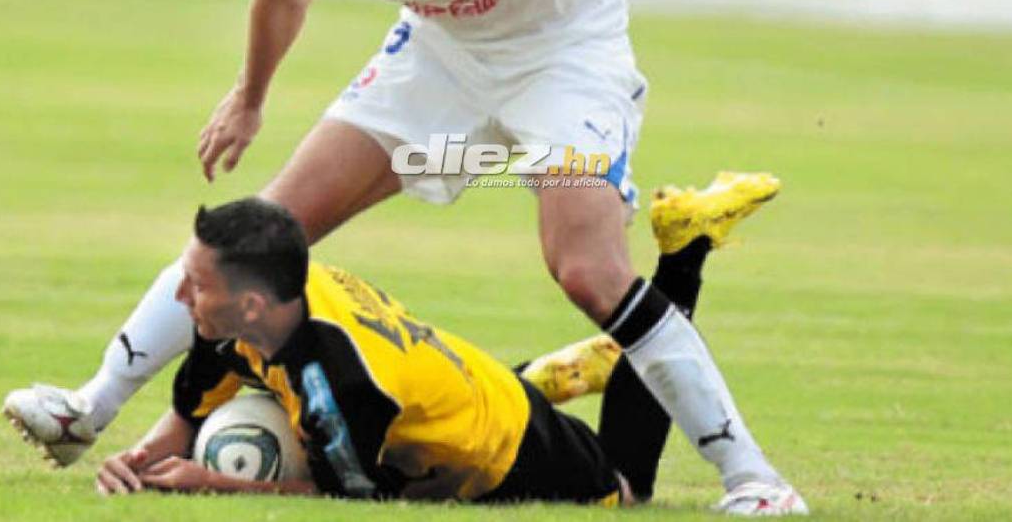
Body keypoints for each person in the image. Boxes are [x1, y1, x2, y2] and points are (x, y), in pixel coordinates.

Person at [5, 0, 943, 510]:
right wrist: (250, 99)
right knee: (261, 229)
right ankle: (87, 407)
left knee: (583, 266)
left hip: (563, 56)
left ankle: (758, 480)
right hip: (441, 54)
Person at [88, 193, 803, 514]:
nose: (179, 297)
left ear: (251, 302)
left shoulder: (342, 381)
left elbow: (347, 497)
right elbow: (190, 408)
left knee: (625, 488)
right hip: (457, 376)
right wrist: (144, 460)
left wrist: (210, 485)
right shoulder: (251, 315)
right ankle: (553, 370)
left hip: (510, 444)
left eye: (194, 283)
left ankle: (684, 251)